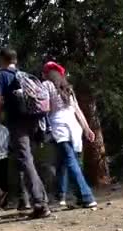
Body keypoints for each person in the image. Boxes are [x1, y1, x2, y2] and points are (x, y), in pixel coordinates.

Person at [0, 47, 50, 218]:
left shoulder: (3, 75)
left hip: (18, 123)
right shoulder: (23, 75)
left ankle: (40, 204)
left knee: (25, 160)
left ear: (2, 60)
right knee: (28, 160)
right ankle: (40, 199)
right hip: (35, 121)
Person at [42, 61, 97, 208]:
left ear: (47, 74)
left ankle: (87, 196)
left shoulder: (46, 85)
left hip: (59, 126)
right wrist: (86, 129)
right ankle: (61, 196)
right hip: (74, 127)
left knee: (70, 161)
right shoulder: (67, 88)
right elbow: (77, 110)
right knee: (64, 162)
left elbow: (45, 108)